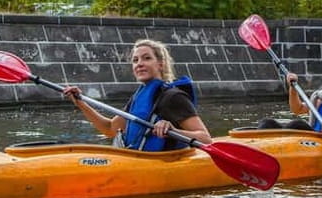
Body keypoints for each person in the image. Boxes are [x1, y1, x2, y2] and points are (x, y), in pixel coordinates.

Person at [62, 39, 211, 151]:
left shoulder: (173, 97)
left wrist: (173, 131)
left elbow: (206, 139)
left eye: (147, 58)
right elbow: (109, 129)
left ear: (160, 64)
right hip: (139, 159)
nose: (139, 63)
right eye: (135, 60)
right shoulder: (139, 97)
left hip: (165, 163)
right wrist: (80, 102)